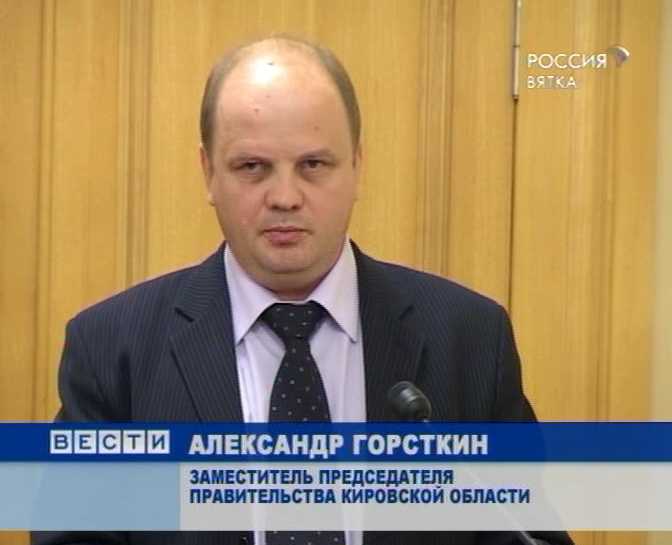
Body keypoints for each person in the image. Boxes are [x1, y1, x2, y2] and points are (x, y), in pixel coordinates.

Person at [32, 37, 573, 545]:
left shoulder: (469, 339)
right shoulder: (113, 350)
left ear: (357, 166)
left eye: (313, 165)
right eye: (252, 167)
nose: (285, 197)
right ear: (208, 172)